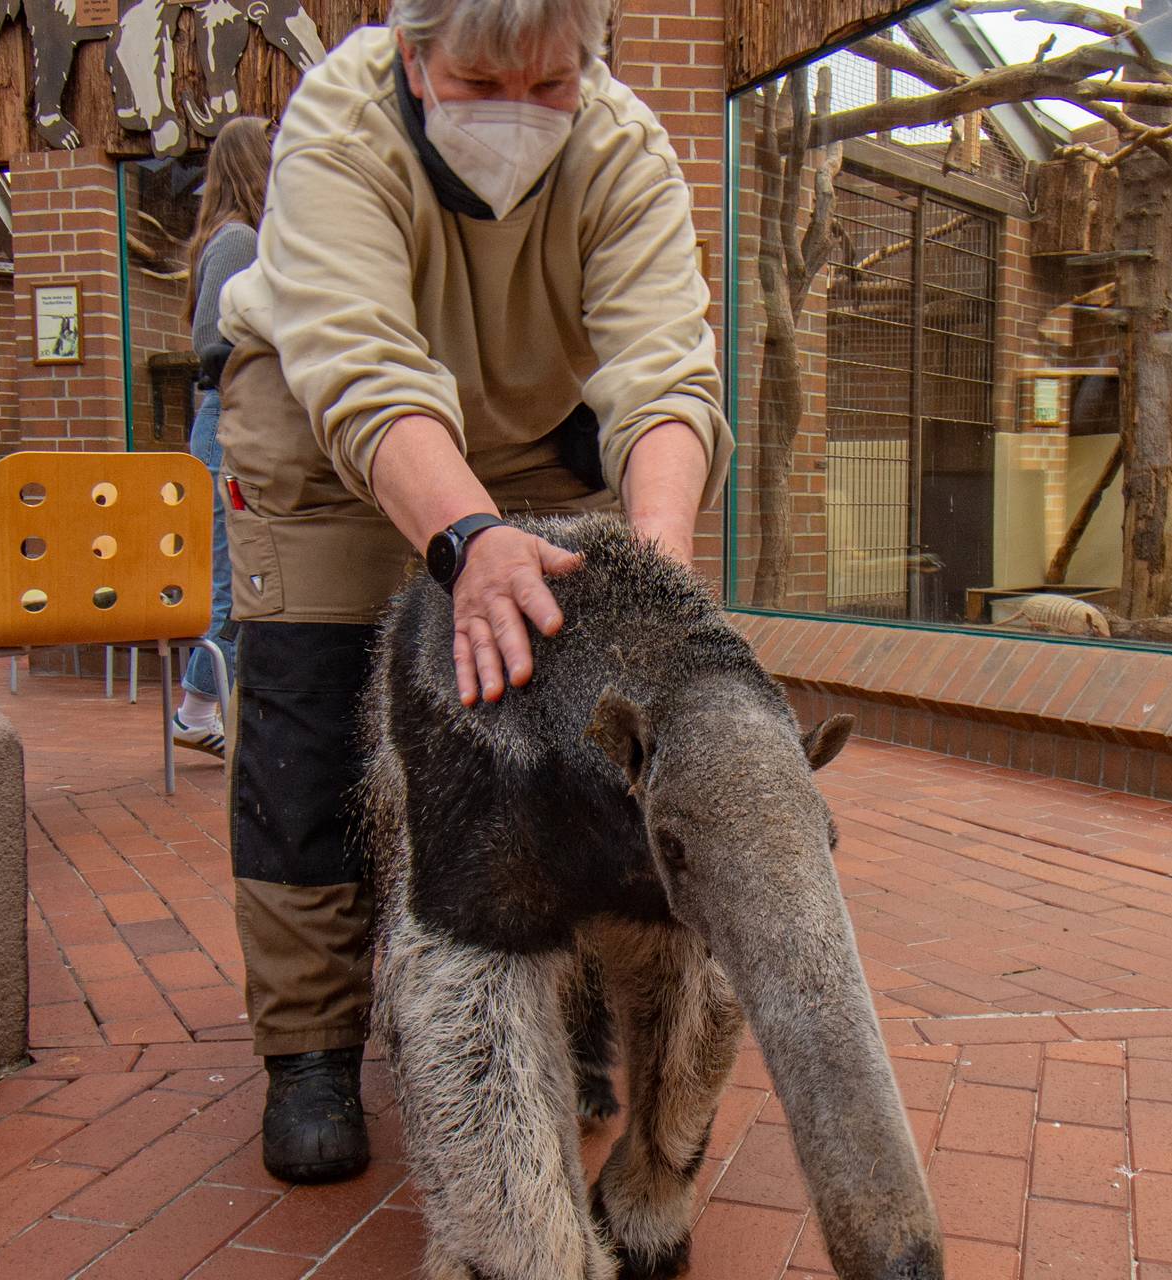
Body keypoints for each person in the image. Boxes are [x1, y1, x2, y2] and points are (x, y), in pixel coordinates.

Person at [212, 0, 728, 1185]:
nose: (520, 112)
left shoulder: (625, 149)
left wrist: (654, 573)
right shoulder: (336, 128)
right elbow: (360, 362)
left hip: (540, 433)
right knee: (311, 710)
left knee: (580, 723)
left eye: (550, 86)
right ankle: (311, 1044)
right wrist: (464, 536)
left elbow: (661, 371)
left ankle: (575, 1002)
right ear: (412, 52)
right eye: (485, 78)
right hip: (324, 429)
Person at [170, 117, 272, 759]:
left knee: (236, 581)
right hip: (228, 422)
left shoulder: (230, 236)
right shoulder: (237, 239)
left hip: (227, 422)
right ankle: (196, 710)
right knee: (233, 585)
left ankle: (199, 710)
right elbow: (213, 343)